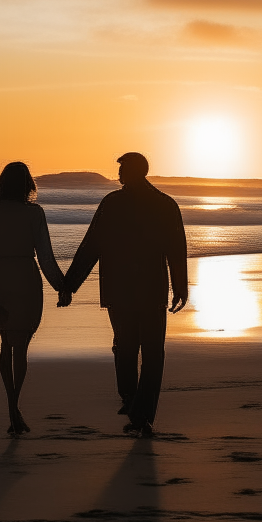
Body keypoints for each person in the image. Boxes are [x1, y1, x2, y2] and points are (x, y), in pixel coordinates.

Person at [63, 152, 188, 437]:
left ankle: (133, 405)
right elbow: (176, 250)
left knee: (126, 348)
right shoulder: (164, 204)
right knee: (151, 353)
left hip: (120, 289)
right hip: (150, 288)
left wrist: (70, 284)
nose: (118, 175)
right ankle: (140, 412)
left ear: (135, 171)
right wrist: (180, 286)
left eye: (122, 169)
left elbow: (91, 246)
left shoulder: (114, 203)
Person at [0, 161, 68, 436]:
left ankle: (12, 408)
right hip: (26, 277)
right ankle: (15, 408)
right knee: (22, 347)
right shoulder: (34, 213)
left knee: (6, 343)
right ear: (28, 184)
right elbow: (46, 257)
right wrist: (61, 286)